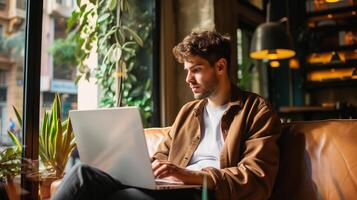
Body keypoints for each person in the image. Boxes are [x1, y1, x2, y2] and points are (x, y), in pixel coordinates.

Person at [52, 30, 281, 200]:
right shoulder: (189, 112)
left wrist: (191, 176)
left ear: (220, 67)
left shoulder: (256, 110)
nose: (188, 79)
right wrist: (144, 167)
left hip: (205, 193)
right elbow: (162, 155)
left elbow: (255, 177)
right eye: (186, 71)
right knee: (84, 174)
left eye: (196, 70)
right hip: (171, 187)